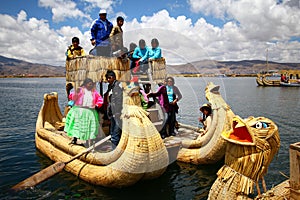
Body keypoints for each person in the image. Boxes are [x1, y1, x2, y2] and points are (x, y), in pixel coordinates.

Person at [64, 78, 103, 145]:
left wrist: (97, 105)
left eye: (91, 84)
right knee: (77, 125)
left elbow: (100, 99)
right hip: (79, 111)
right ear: (85, 84)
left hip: (90, 112)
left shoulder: (94, 92)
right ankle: (75, 139)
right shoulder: (80, 90)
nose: (90, 85)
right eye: (89, 84)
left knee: (89, 126)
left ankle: (88, 141)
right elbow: (73, 96)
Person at [105, 70, 123, 147]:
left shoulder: (117, 87)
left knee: (115, 132)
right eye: (107, 78)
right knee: (112, 131)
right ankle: (114, 148)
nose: (108, 80)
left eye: (110, 78)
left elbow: (119, 100)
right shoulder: (111, 86)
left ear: (114, 77)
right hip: (112, 112)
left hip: (117, 112)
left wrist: (117, 112)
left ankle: (114, 149)